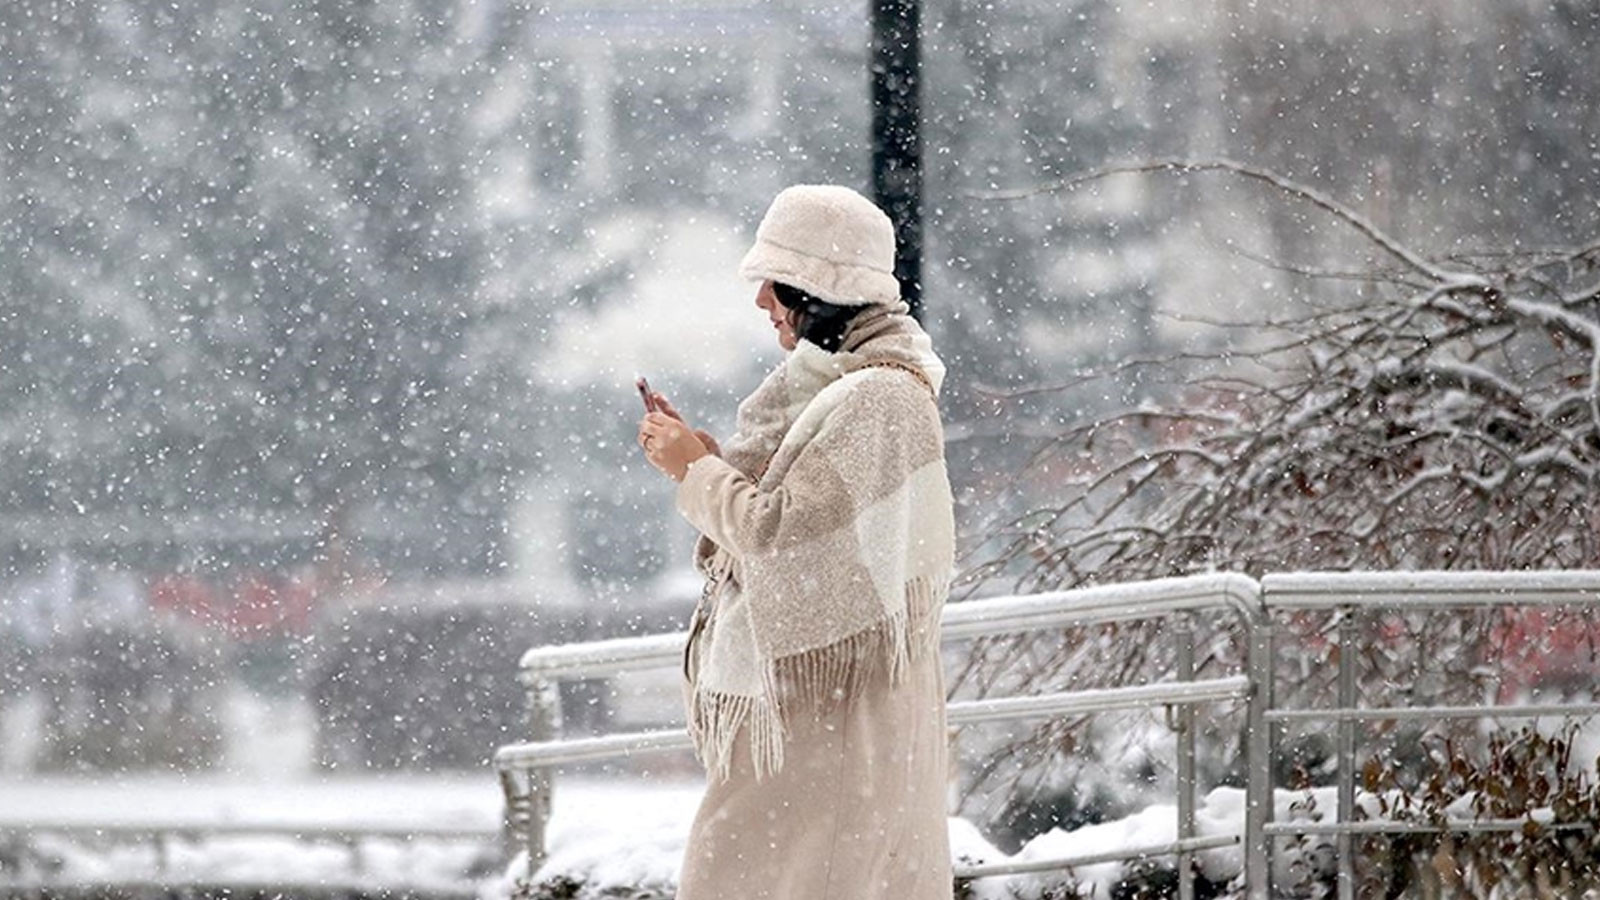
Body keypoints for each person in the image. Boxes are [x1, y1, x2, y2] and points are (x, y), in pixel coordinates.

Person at [637, 184, 956, 900]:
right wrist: (707, 462)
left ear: (819, 288)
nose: (762, 303)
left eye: (774, 283)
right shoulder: (846, 388)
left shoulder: (877, 398)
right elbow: (798, 521)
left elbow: (780, 537)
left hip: (829, 728)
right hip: (821, 721)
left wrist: (695, 469)